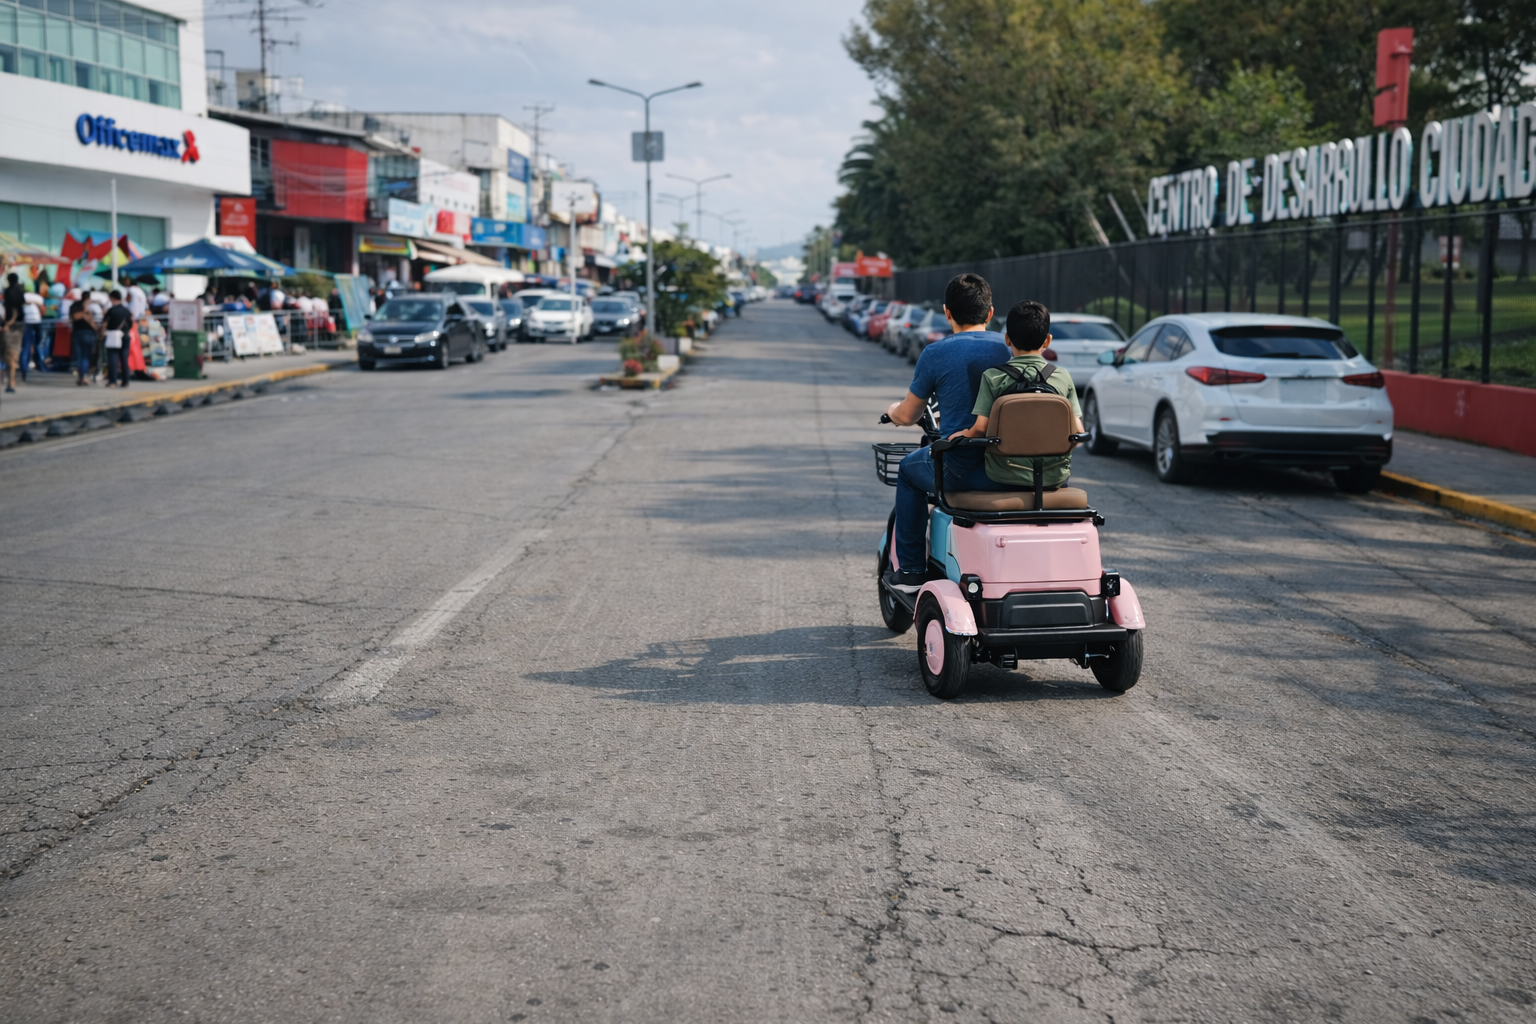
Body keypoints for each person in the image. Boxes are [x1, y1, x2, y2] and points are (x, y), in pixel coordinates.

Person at [882, 273, 1011, 594]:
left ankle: (911, 571)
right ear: (991, 313)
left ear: (947, 312)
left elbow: (910, 413)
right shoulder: (1011, 349)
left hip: (962, 471)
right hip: (1013, 469)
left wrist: (892, 411)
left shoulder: (935, 354)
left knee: (909, 471)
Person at [948, 300, 1085, 489]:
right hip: (1055, 478)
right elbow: (1078, 431)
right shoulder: (1062, 377)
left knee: (954, 479)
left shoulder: (993, 376)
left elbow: (980, 428)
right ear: (1047, 340)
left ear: (1007, 339)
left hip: (1002, 476)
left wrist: (958, 436)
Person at [102, 290, 133, 388]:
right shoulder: (127, 311)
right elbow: (131, 324)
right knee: (124, 360)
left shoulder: (111, 310)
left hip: (113, 337)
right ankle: (125, 381)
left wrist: (102, 333)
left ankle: (112, 381)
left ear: (112, 298)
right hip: (125, 336)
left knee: (112, 360)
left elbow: (105, 324)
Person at [1, 272, 24, 392]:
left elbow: (10, 309)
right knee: (13, 356)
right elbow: (18, 309)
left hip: (9, 326)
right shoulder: (20, 291)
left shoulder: (8, 291)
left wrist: (6, 323)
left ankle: (9, 382)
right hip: (17, 326)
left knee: (6, 356)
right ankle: (11, 382)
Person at [69, 293, 97, 386]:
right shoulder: (81, 306)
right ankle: (83, 376)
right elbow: (76, 317)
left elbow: (73, 318)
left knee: (82, 356)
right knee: (85, 356)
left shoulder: (75, 305)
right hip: (84, 333)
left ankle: (82, 376)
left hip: (80, 333)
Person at [21, 279, 46, 379]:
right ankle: (38, 363)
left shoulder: (22, 297)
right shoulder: (38, 298)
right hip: (36, 322)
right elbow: (43, 310)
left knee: (25, 347)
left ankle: (24, 367)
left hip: (26, 323)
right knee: (36, 344)